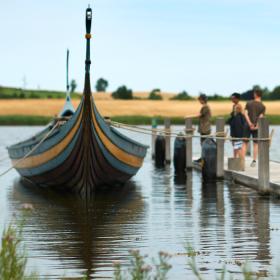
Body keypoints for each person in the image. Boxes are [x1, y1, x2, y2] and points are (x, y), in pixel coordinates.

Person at [242, 89, 266, 167]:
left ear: (255, 94)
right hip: (256, 127)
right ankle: (254, 161)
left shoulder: (249, 103)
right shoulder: (263, 106)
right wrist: (256, 126)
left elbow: (245, 114)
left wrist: (249, 123)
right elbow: (261, 117)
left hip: (247, 125)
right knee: (255, 144)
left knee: (245, 143)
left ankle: (242, 161)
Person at [227, 93, 246, 158]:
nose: (232, 99)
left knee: (238, 143)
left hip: (238, 127)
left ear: (237, 99)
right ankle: (235, 157)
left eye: (233, 98)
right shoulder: (234, 105)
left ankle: (241, 159)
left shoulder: (239, 106)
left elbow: (241, 116)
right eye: (231, 98)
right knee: (234, 143)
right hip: (234, 127)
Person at [194, 93, 212, 162]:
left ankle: (204, 158)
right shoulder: (206, 106)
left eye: (200, 100)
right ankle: (203, 157)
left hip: (205, 127)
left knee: (204, 143)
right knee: (203, 143)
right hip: (205, 127)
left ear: (203, 100)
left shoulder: (205, 107)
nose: (199, 101)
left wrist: (188, 117)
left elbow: (199, 115)